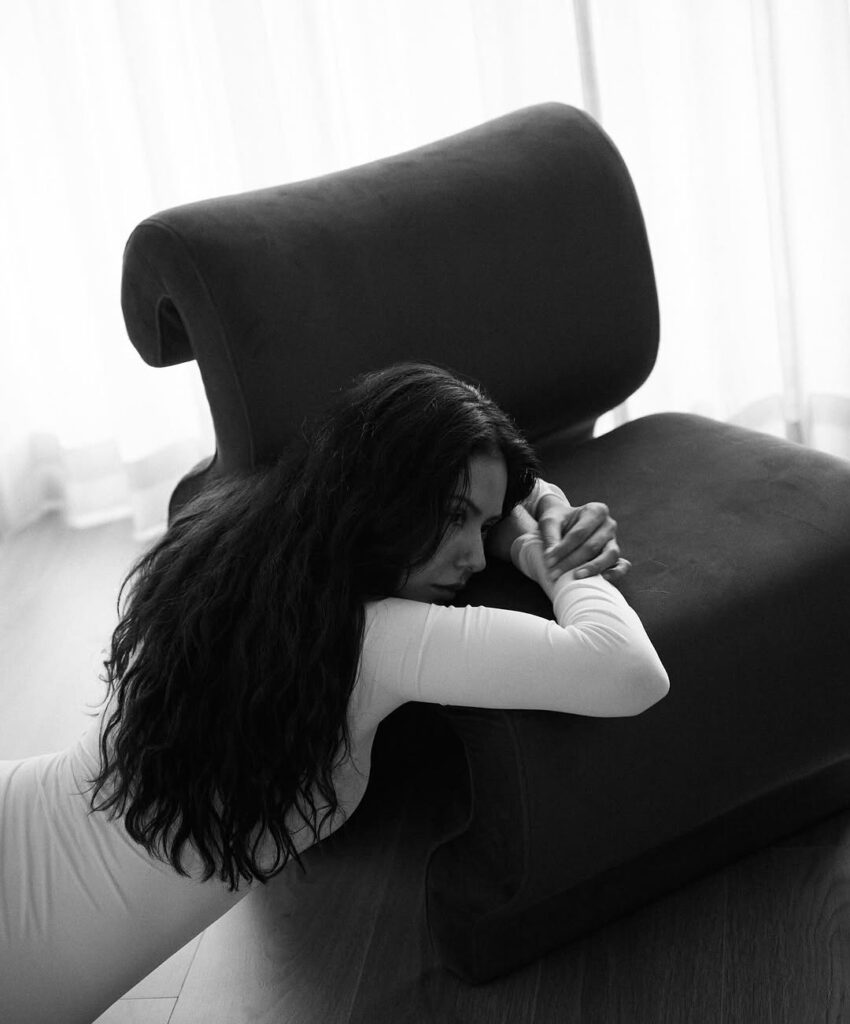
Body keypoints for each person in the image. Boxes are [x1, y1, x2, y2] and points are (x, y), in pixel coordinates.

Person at [0, 362, 669, 1023]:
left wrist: (539, 514)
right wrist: (557, 560)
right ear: (385, 495)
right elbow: (627, 670)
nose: (472, 556)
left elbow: (496, 488)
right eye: (453, 518)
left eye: (483, 527)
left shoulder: (247, 546)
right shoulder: (375, 637)